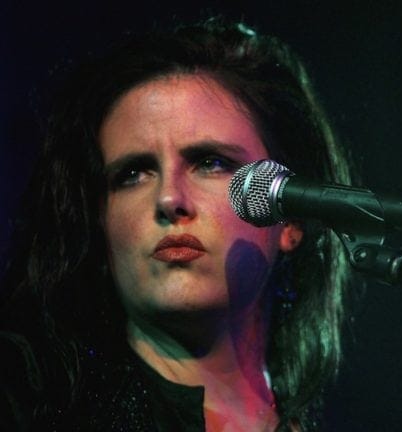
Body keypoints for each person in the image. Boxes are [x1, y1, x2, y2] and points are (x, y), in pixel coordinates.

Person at [0, 14, 357, 432]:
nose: (169, 199)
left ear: (291, 217)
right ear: (99, 222)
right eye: (133, 173)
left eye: (210, 162)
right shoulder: (25, 401)